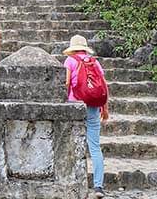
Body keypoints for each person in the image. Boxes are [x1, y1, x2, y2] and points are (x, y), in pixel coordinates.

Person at [64, 35, 107, 199]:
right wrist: (105, 107)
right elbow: (103, 85)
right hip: (94, 106)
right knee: (95, 147)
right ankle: (98, 187)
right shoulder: (94, 62)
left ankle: (73, 182)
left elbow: (67, 83)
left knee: (72, 143)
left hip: (75, 105)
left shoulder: (70, 61)